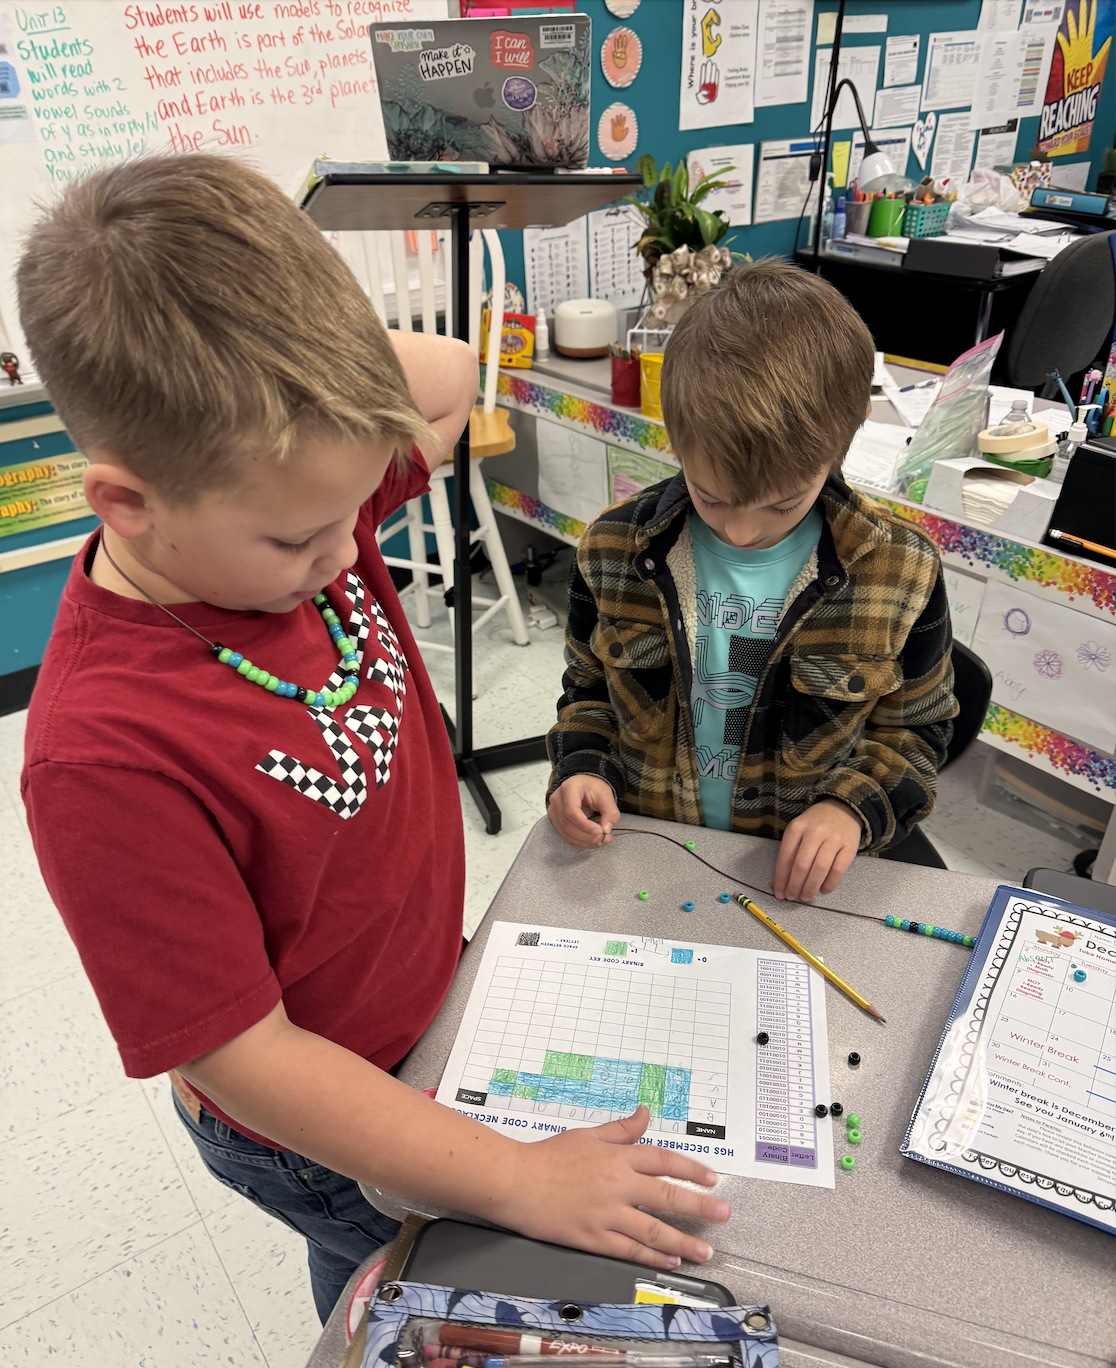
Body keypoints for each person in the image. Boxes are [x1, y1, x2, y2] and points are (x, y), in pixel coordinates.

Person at [18, 155, 729, 1325]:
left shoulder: (279, 482)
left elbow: (446, 374)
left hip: (426, 1009)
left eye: (357, 510)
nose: (350, 556)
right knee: (397, 1278)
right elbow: (244, 1056)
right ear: (127, 504)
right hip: (312, 1118)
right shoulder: (102, 754)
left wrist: (307, 352)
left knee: (378, 1265)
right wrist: (513, 1179)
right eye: (305, 540)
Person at [547, 259, 956, 902]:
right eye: (711, 497)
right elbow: (588, 691)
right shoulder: (612, 549)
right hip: (652, 857)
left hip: (792, 882)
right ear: (677, 444)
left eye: (782, 504)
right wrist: (581, 769)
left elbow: (917, 730)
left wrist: (850, 809)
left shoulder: (898, 570)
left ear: (836, 452)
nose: (740, 532)